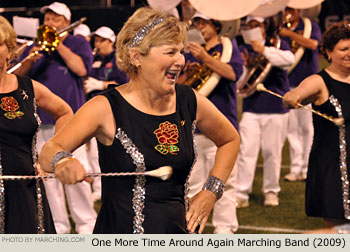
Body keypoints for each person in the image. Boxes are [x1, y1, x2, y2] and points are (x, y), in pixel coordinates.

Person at [38, 7, 240, 234]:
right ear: (136, 56)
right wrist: (63, 161)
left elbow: (230, 139)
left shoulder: (189, 100)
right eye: (171, 52)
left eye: (181, 51)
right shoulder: (105, 107)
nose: (181, 60)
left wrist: (211, 192)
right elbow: (49, 150)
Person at [14, 2, 97, 234]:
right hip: (40, 122)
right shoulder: (34, 46)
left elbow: (82, 70)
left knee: (75, 171)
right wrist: (31, 58)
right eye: (48, 18)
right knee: (47, 177)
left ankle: (86, 226)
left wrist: (57, 44)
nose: (50, 22)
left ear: (66, 22)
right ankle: (59, 226)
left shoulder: (77, 42)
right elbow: (18, 76)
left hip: (72, 120)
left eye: (56, 19)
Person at [0, 15, 72, 233]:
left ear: (10, 49)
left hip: (27, 191)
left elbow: (65, 112)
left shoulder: (28, 88)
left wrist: (52, 154)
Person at [177, 11, 243, 234]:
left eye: (204, 23)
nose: (200, 27)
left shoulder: (227, 48)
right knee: (191, 183)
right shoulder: (189, 53)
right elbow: (179, 88)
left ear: (216, 25)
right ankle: (192, 225)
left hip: (221, 129)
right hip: (192, 129)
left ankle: (224, 229)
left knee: (225, 182)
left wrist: (205, 58)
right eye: (197, 23)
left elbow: (233, 74)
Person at [283, 21, 350, 227]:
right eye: (344, 49)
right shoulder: (319, 81)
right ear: (328, 52)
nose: (349, 53)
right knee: (338, 231)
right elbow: (298, 93)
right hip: (332, 166)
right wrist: (292, 97)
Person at [235, 15, 294, 208]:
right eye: (250, 25)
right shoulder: (243, 49)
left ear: (264, 27)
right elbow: (239, 82)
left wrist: (264, 51)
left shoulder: (278, 43)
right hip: (251, 108)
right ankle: (242, 192)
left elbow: (288, 60)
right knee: (246, 151)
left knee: (272, 152)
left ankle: (271, 191)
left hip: (276, 109)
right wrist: (246, 66)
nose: (253, 28)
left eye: (257, 25)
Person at [85, 26, 129, 202]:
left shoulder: (119, 58)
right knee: (94, 151)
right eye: (96, 40)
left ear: (111, 41)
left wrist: (101, 85)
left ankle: (112, 185)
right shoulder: (94, 59)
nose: (97, 44)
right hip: (94, 109)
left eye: (101, 40)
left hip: (114, 110)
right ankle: (98, 186)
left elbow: (124, 84)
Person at [279, 7, 322, 182]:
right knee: (292, 129)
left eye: (292, 10)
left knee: (307, 128)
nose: (289, 13)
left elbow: (313, 44)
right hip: (288, 84)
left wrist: (290, 34)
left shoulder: (310, 26)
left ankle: (307, 166)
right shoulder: (281, 29)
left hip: (307, 85)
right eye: (286, 9)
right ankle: (295, 167)